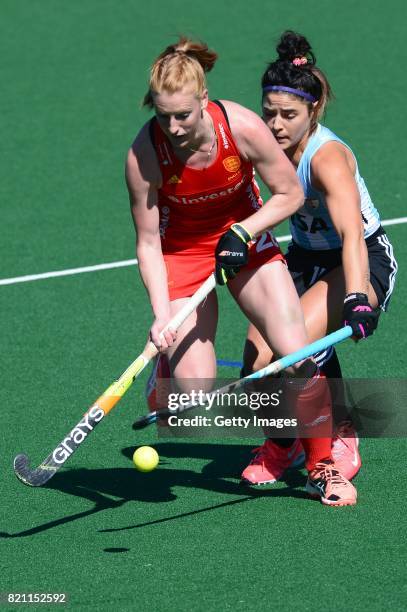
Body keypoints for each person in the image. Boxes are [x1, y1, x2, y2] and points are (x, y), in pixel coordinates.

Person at [126, 36, 359, 507]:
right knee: (188, 404)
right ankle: (165, 376)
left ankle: (322, 468)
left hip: (246, 243)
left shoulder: (241, 127)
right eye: (163, 114)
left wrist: (245, 231)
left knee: (298, 356)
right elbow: (149, 243)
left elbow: (289, 194)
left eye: (183, 115)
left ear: (204, 101)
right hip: (182, 256)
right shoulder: (145, 154)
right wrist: (159, 316)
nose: (172, 126)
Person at [240, 30, 398, 486]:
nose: (276, 125)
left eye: (289, 115)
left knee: (296, 350)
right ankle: (283, 441)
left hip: (362, 260)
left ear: (314, 110)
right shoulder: (262, 148)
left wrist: (355, 298)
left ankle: (341, 430)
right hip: (304, 258)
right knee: (256, 362)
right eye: (269, 112)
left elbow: (352, 235)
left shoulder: (325, 158)